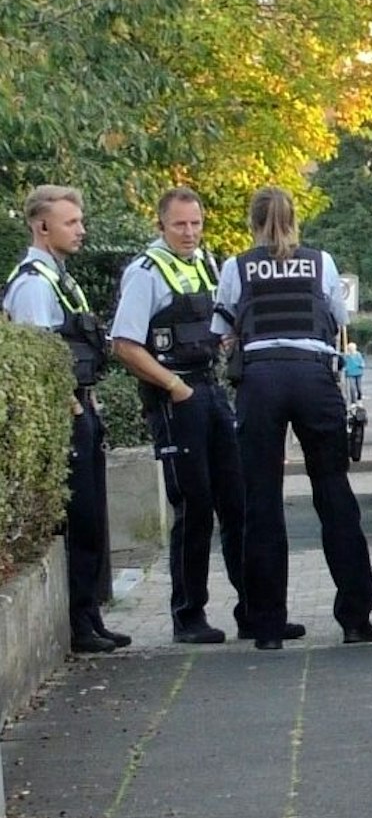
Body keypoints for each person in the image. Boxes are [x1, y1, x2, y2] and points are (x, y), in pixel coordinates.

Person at [212, 187, 372, 649]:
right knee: (334, 494)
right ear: (294, 220)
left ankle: (267, 627)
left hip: (260, 382)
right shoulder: (320, 262)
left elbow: (222, 331)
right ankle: (356, 620)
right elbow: (337, 318)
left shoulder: (236, 267)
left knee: (261, 503)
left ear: (252, 222)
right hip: (313, 378)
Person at [108, 186, 251, 645]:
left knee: (237, 501)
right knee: (194, 507)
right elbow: (124, 344)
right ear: (161, 225)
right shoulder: (146, 273)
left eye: (195, 223)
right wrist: (175, 387)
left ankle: (254, 610)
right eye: (179, 225)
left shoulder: (205, 264)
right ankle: (188, 617)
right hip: (176, 398)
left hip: (210, 389)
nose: (189, 232)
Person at [2, 185, 127, 654]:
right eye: (71, 222)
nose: (81, 230)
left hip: (83, 406)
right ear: (42, 226)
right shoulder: (34, 283)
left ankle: (90, 617)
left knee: (91, 521)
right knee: (78, 520)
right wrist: (75, 408)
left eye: (80, 220)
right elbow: (42, 357)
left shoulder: (59, 277)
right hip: (68, 414)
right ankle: (79, 623)